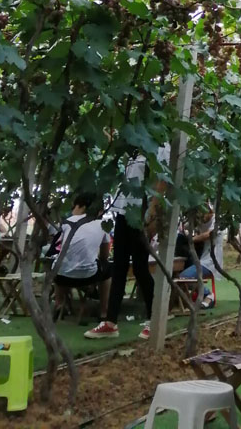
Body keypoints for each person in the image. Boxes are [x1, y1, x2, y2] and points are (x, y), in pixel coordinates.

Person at [85, 143, 169, 341]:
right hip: (123, 211)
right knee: (119, 266)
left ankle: (153, 319)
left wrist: (153, 211)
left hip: (141, 212)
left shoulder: (161, 146)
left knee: (140, 268)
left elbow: (162, 180)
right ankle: (110, 322)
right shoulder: (136, 145)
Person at [52, 192, 112, 321]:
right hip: (88, 276)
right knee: (107, 269)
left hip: (61, 277)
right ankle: (104, 311)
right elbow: (105, 256)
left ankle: (59, 303)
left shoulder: (66, 223)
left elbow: (59, 248)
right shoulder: (103, 225)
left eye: (74, 206)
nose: (72, 210)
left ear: (82, 207)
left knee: (59, 264)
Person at [177, 204, 219, 309]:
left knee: (183, 277)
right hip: (199, 259)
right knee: (176, 276)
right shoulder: (200, 221)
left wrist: (191, 239)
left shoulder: (217, 221)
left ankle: (208, 294)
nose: (201, 217)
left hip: (210, 263)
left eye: (202, 214)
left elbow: (208, 234)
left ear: (210, 211)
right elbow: (184, 227)